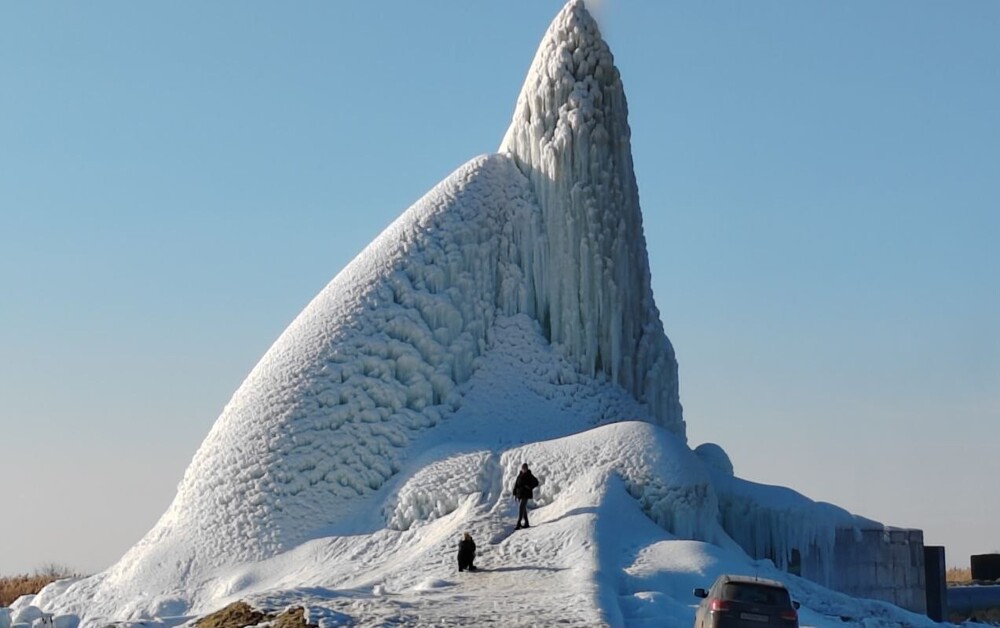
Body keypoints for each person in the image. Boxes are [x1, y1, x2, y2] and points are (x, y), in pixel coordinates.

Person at [512, 462, 539, 530]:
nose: (524, 469)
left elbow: (536, 482)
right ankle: (526, 523)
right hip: (520, 494)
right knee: (523, 508)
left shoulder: (529, 475)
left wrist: (530, 487)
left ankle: (518, 523)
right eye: (523, 468)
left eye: (525, 468)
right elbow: (516, 484)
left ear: (527, 469)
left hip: (526, 494)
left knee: (521, 507)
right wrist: (515, 493)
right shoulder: (520, 475)